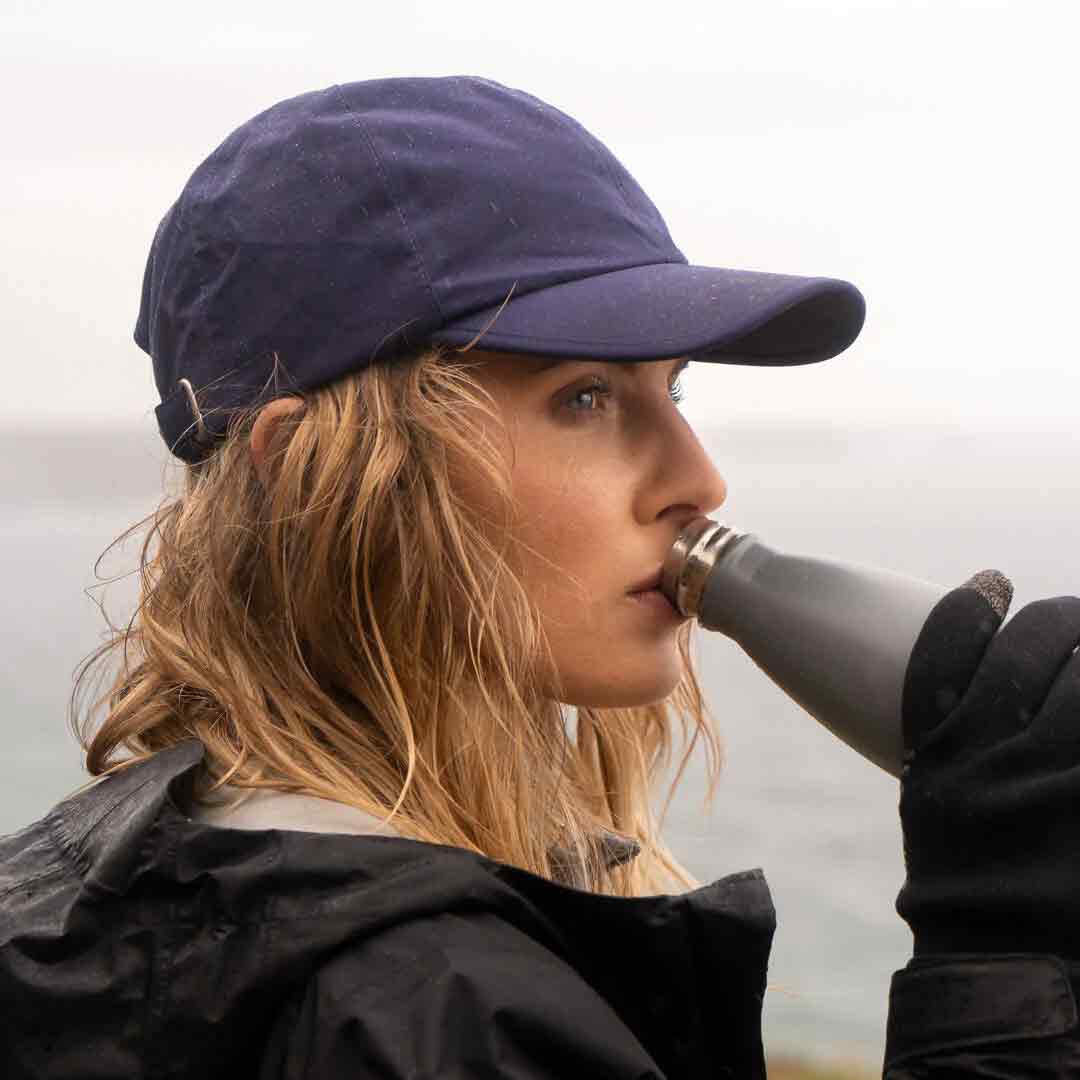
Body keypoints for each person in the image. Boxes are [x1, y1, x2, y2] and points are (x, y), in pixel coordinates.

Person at [0, 75, 1077, 1078]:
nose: (700, 479)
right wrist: (1001, 957)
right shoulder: (436, 1009)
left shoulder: (136, 884)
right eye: (585, 398)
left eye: (674, 391)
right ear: (312, 480)